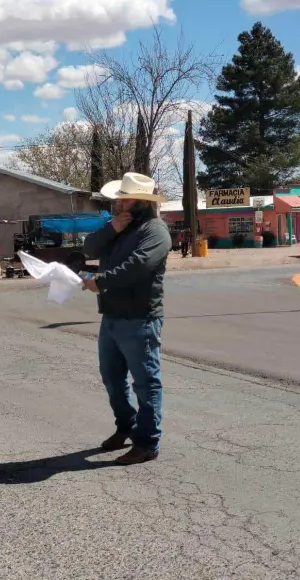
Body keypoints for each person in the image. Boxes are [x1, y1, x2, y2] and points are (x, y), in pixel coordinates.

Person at [81, 172, 171, 465]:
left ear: (141, 202)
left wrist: (102, 281)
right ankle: (127, 427)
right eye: (118, 198)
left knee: (145, 382)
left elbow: (139, 265)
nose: (118, 203)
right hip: (112, 317)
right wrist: (111, 229)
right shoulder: (118, 226)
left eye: (124, 198)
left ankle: (147, 443)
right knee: (112, 378)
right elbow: (88, 248)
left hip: (140, 318)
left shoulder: (155, 231)